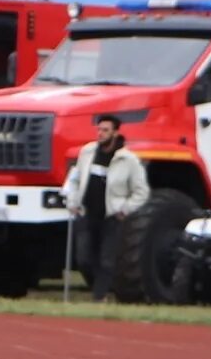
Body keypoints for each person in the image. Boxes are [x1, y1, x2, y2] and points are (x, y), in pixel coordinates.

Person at [63, 113, 150, 302]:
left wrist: (125, 209)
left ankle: (99, 297)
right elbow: (75, 179)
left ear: (116, 132)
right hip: (87, 213)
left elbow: (141, 191)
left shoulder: (128, 160)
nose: (100, 134)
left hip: (112, 216)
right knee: (84, 258)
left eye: (105, 130)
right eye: (99, 129)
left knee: (106, 259)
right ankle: (100, 287)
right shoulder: (87, 152)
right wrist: (72, 201)